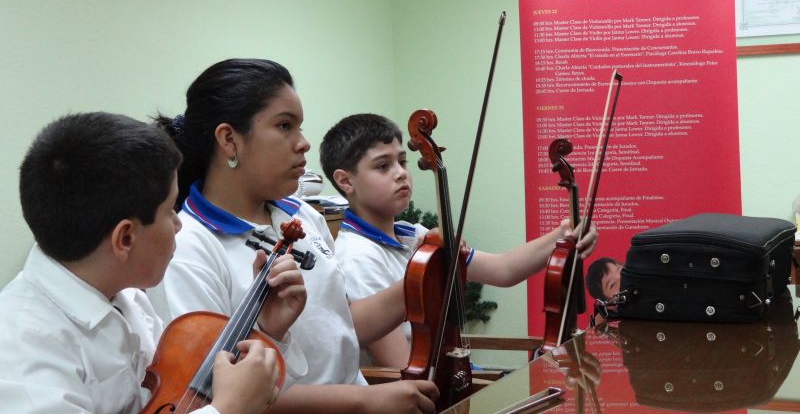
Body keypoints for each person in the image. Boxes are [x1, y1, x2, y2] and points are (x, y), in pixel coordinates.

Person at [150, 58, 439, 414]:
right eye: (284, 126)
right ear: (228, 139)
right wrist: (363, 401)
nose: (303, 143)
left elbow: (338, 323)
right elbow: (215, 396)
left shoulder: (300, 214)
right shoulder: (189, 248)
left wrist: (422, 275)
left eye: (299, 127)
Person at [0, 112, 304, 414]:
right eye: (170, 210)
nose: (179, 225)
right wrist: (226, 410)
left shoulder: (126, 295)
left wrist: (267, 331)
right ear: (125, 239)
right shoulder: (22, 348)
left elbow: (183, 399)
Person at [319, 113, 599, 367]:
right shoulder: (357, 257)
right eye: (383, 166)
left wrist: (564, 234)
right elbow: (401, 365)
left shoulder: (413, 234)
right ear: (345, 181)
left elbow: (502, 269)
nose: (401, 173)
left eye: (402, 162)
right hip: (424, 389)